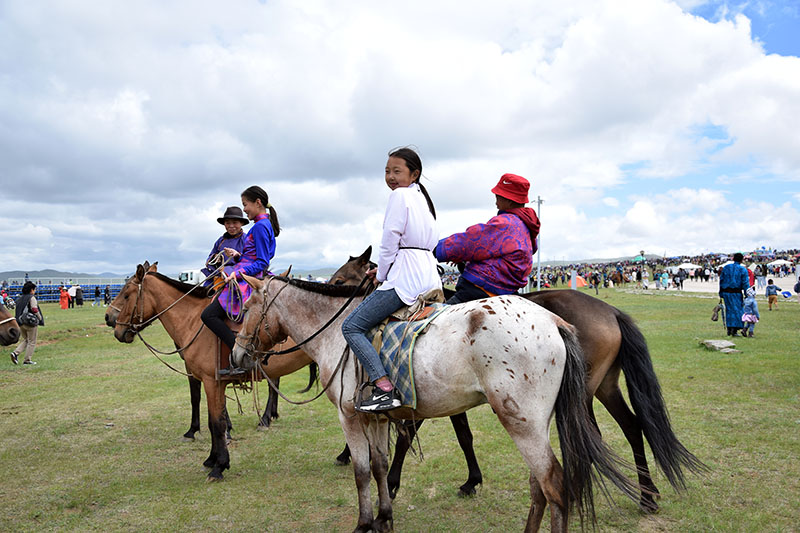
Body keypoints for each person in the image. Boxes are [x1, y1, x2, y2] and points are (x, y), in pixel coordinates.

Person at [342, 147, 440, 412]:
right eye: (387, 171)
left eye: (397, 171)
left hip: (405, 280)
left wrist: (383, 275)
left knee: (351, 327)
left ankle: (384, 387)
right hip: (428, 276)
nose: (391, 177)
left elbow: (389, 243)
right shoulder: (423, 199)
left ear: (414, 174)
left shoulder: (399, 196)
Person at [201, 186, 279, 377]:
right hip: (244, 274)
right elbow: (257, 256)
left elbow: (262, 262)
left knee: (208, 315)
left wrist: (238, 273)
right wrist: (239, 254)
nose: (244, 209)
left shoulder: (259, 227)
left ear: (257, 203)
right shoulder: (264, 224)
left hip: (244, 281)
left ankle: (241, 356)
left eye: (245, 204)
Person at [435, 173, 540, 304]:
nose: (496, 202)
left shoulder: (506, 223)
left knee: (436, 320)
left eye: (498, 197)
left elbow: (471, 241)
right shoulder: (526, 224)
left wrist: (435, 247)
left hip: (484, 288)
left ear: (509, 200)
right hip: (509, 288)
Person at [201, 206, 249, 289]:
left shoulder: (246, 240)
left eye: (235, 222)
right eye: (227, 223)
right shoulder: (220, 241)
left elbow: (250, 261)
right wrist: (216, 258)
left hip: (237, 276)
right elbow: (209, 260)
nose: (231, 226)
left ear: (242, 223)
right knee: (204, 292)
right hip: (219, 275)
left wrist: (237, 255)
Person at [10, 281, 44, 365]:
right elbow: (34, 309)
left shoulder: (19, 299)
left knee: (26, 340)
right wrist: (39, 318)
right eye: (34, 289)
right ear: (31, 290)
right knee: (32, 341)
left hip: (20, 323)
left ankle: (15, 353)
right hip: (30, 322)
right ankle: (27, 360)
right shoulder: (31, 298)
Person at [719, 252, 749, 336]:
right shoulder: (743, 269)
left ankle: (729, 329)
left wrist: (721, 293)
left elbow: (721, 280)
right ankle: (734, 330)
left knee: (729, 310)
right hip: (736, 293)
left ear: (733, 258)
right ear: (742, 260)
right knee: (738, 311)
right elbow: (745, 284)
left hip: (726, 292)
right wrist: (748, 295)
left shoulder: (726, 267)